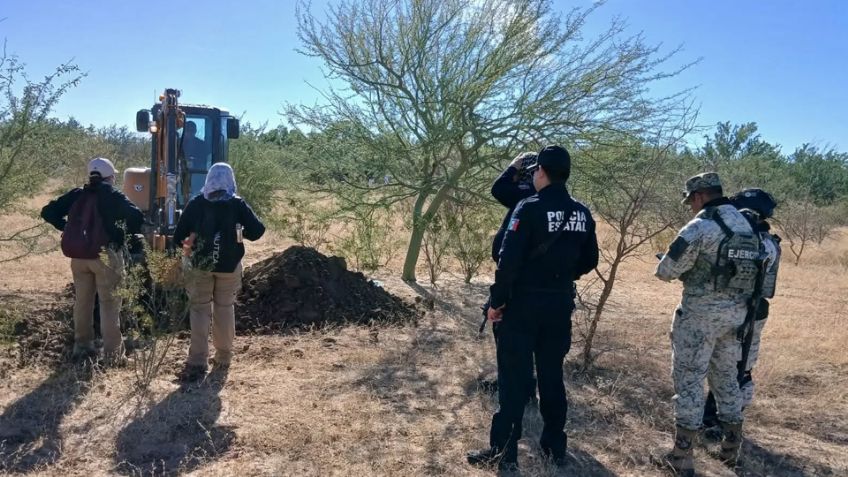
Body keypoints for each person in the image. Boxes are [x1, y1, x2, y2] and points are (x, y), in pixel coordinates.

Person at [467, 145, 599, 471]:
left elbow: (507, 263)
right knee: (552, 377)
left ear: (540, 171)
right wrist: (562, 277)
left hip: (523, 306)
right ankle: (554, 448)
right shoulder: (582, 213)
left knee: (513, 381)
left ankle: (505, 455)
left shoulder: (528, 208)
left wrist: (496, 303)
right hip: (559, 305)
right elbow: (591, 260)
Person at [655, 172, 760, 475]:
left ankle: (681, 456)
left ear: (700, 196)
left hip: (700, 318)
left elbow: (666, 271)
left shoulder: (700, 226)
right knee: (727, 379)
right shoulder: (747, 225)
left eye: (690, 200)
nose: (690, 206)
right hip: (736, 318)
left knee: (689, 381)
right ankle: (730, 450)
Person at [41, 157, 143, 364]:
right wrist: (120, 236)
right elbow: (136, 217)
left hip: (79, 258)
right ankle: (113, 355)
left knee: (83, 302)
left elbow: (48, 212)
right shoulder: (114, 195)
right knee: (109, 304)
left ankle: (82, 347)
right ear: (111, 177)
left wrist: (68, 229)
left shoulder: (77, 194)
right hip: (105, 257)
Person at [173, 163, 265, 382]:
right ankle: (223, 358)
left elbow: (178, 238)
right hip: (229, 266)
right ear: (230, 179)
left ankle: (197, 361)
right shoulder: (237, 204)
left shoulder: (196, 203)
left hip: (200, 267)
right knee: (224, 309)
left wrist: (191, 248)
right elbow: (258, 231)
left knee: (199, 310)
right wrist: (240, 232)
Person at [702, 188, 781, 437]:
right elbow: (768, 286)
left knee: (725, 364)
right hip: (756, 312)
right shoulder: (770, 243)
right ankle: (727, 423)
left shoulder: (731, 234)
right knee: (742, 366)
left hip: (731, 309)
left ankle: (716, 421)